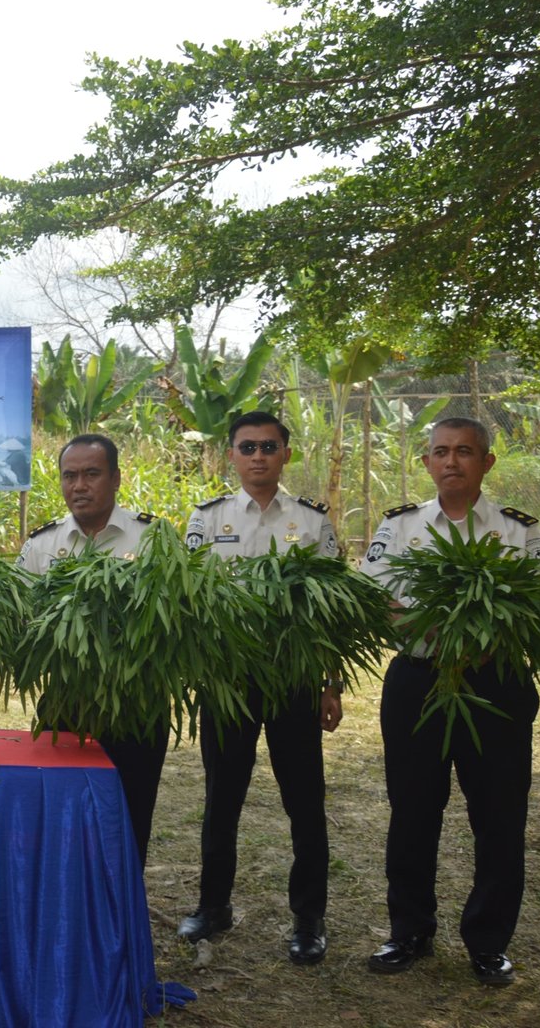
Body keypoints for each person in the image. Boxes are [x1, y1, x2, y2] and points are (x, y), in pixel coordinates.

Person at [359, 417, 540, 987]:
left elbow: (538, 609)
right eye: (441, 452)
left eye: (465, 452)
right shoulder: (399, 528)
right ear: (426, 463)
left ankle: (489, 942)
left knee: (498, 816)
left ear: (486, 462)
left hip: (496, 686)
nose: (452, 461)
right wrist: (434, 627)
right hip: (417, 683)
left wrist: (480, 641)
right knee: (413, 812)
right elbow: (372, 600)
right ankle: (409, 931)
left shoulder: (519, 531)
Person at [175, 411, 341, 965]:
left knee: (304, 802)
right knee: (222, 798)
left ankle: (309, 919)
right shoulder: (206, 519)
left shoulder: (313, 522)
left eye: (269, 446)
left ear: (286, 454)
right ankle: (214, 905)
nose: (258, 456)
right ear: (232, 455)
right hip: (228, 680)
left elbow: (331, 612)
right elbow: (191, 602)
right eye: (247, 447)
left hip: (293, 679)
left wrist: (330, 683)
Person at [17, 433, 164, 865]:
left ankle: (123, 917)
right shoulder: (41, 545)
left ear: (116, 478)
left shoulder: (152, 538)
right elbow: (21, 622)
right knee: (62, 814)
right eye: (69, 476)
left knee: (131, 813)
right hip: (66, 701)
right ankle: (67, 910)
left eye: (91, 474)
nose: (78, 485)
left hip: (137, 703)